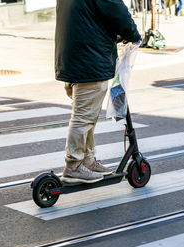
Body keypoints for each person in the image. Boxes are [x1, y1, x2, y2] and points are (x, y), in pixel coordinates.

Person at [55, 0, 141, 184]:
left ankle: (87, 160)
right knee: (83, 117)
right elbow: (118, 11)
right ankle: (73, 166)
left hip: (72, 57)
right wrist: (133, 34)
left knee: (87, 115)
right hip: (90, 60)